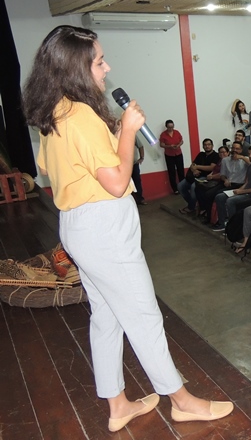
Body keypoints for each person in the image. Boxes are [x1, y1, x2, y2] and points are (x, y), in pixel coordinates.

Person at [23, 25, 233, 432]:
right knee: (143, 315)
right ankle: (182, 400)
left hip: (79, 225)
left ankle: (118, 406)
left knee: (106, 316)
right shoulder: (81, 114)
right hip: (103, 227)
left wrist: (116, 135)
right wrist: (129, 131)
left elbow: (48, 170)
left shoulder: (57, 111)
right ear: (76, 68)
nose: (107, 67)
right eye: (99, 61)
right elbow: (118, 182)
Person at [211, 145, 251, 231]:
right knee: (220, 197)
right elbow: (247, 182)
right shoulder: (250, 166)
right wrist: (240, 189)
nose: (250, 156)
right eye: (249, 154)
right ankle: (222, 223)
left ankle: (233, 226)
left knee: (230, 201)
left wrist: (242, 191)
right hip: (245, 190)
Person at [177, 138, 219, 214]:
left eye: (209, 145)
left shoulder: (215, 155)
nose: (207, 146)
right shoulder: (201, 154)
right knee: (180, 186)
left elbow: (211, 167)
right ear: (203, 146)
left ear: (212, 146)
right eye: (205, 145)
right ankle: (193, 203)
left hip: (207, 177)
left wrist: (198, 167)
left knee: (193, 186)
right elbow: (193, 164)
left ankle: (191, 207)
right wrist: (194, 170)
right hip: (195, 176)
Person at [159, 119, 184, 194]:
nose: (171, 129)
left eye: (172, 127)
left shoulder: (177, 132)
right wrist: (169, 146)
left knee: (181, 171)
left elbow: (181, 141)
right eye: (169, 127)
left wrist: (178, 145)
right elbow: (161, 144)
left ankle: (183, 186)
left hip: (178, 153)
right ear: (166, 127)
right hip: (169, 155)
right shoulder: (163, 134)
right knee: (171, 172)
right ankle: (175, 189)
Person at [131, 135, 146, 205]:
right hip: (123, 166)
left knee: (137, 182)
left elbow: (140, 146)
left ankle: (140, 199)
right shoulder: (115, 134)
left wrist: (141, 157)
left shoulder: (133, 135)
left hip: (134, 164)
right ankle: (131, 202)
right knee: (126, 184)